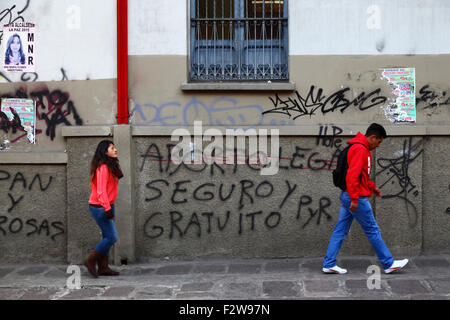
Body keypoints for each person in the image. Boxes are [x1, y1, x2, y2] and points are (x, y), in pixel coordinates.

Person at [322, 123, 408, 274]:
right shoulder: (360, 149)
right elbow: (352, 176)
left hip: (348, 195)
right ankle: (388, 264)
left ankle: (329, 263)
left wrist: (371, 186)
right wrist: (355, 198)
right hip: (355, 197)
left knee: (340, 230)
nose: (378, 145)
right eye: (379, 142)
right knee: (372, 230)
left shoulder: (358, 147)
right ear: (373, 137)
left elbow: (360, 175)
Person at [84, 140, 123, 277]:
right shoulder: (103, 168)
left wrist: (109, 206)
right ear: (105, 152)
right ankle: (90, 260)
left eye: (114, 147)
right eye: (112, 148)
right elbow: (101, 191)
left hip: (107, 205)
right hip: (100, 207)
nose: (115, 149)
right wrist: (107, 209)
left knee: (107, 236)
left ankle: (103, 267)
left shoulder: (110, 166)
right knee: (112, 237)